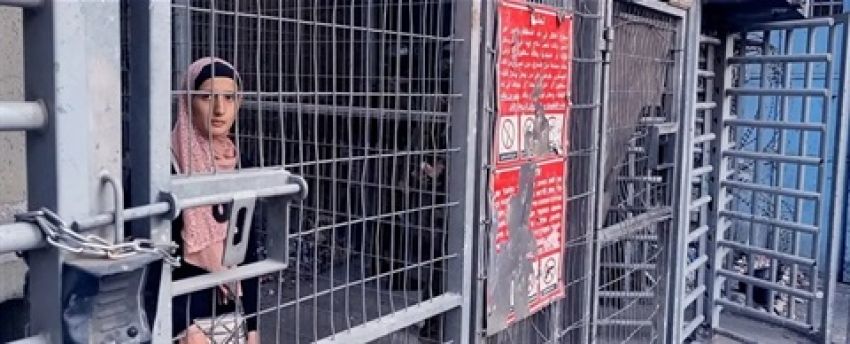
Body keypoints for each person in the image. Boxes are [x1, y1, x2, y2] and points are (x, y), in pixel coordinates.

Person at [171, 57, 260, 344]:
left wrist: (253, 325)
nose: (220, 109)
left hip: (229, 313)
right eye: (207, 97)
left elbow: (248, 251)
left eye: (230, 97)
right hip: (180, 316)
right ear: (187, 102)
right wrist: (181, 326)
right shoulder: (166, 166)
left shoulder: (240, 164)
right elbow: (151, 257)